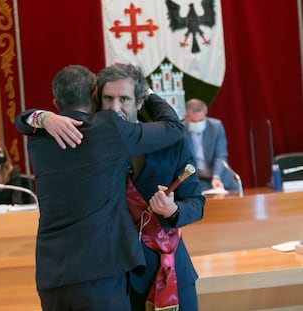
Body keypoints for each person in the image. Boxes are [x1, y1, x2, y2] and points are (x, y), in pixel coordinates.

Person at [30, 65, 205, 310]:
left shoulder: (169, 143)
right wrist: (43, 117)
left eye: (124, 99)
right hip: (117, 281)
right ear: (96, 99)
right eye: (108, 98)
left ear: (140, 102)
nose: (115, 107)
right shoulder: (85, 139)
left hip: (171, 271)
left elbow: (197, 203)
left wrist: (174, 210)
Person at [184, 98, 238, 191]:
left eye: (201, 120)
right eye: (193, 121)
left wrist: (216, 177)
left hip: (221, 177)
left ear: (205, 114)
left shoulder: (216, 127)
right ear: (186, 117)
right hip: (199, 181)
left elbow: (221, 156)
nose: (197, 123)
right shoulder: (181, 130)